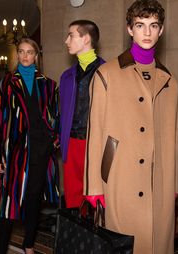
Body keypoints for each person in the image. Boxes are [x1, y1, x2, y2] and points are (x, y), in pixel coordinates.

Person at [84, 0, 178, 253]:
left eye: (153, 25)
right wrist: (93, 185)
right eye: (140, 25)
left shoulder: (170, 81)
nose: (147, 33)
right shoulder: (107, 74)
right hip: (118, 176)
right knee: (123, 243)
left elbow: (174, 138)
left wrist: (174, 184)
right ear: (130, 29)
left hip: (159, 180)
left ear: (161, 30)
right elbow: (94, 133)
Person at [0, 38, 59, 254]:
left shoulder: (49, 84)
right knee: (9, 202)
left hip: (41, 150)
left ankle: (28, 245)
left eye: (30, 52)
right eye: (21, 52)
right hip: (14, 151)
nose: (25, 56)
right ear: (17, 55)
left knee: (33, 199)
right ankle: (1, 249)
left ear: (36, 56)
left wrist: (53, 141)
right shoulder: (3, 84)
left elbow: (55, 116)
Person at [59, 20, 105, 208]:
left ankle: (96, 237)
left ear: (86, 38)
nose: (66, 40)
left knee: (98, 196)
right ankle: (75, 237)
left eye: (71, 35)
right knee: (72, 197)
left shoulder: (108, 72)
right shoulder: (66, 76)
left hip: (96, 143)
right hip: (71, 143)